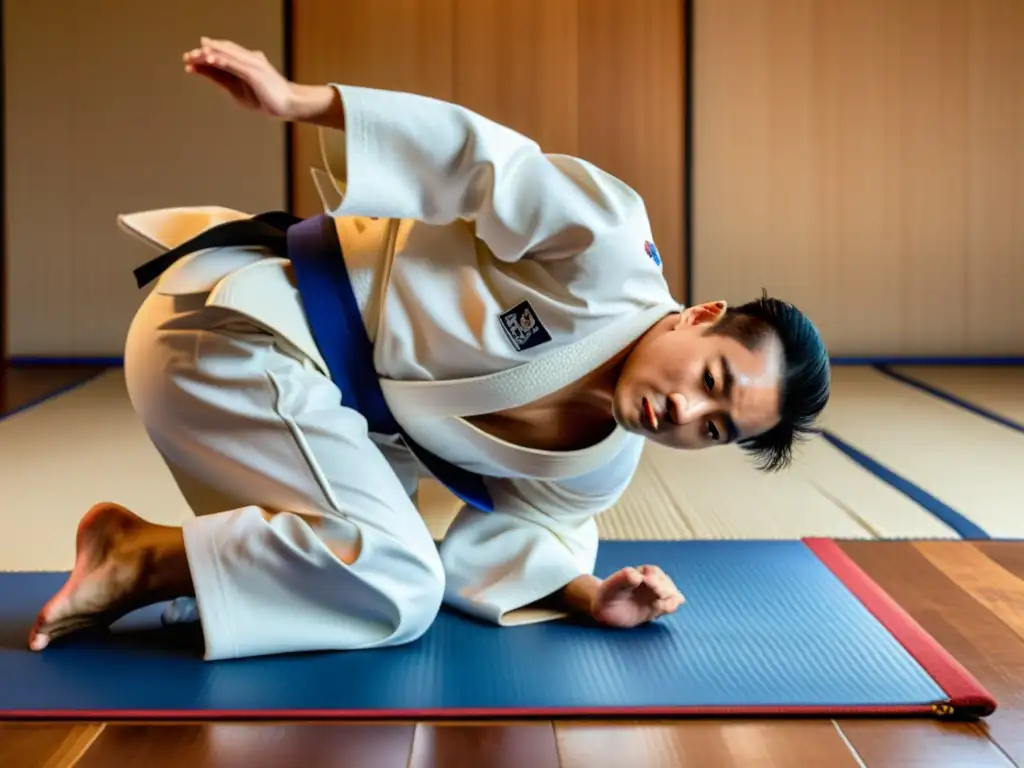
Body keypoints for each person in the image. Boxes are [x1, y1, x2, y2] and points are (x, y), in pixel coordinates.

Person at [29, 38, 830, 660]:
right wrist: (300, 100)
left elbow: (510, 552)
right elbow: (479, 159)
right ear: (702, 316)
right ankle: (139, 558)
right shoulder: (609, 249)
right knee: (396, 580)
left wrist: (593, 597)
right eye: (713, 378)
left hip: (289, 400)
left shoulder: (600, 464)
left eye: (715, 428)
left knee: (397, 580)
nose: (685, 410)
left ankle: (139, 551)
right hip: (234, 332)